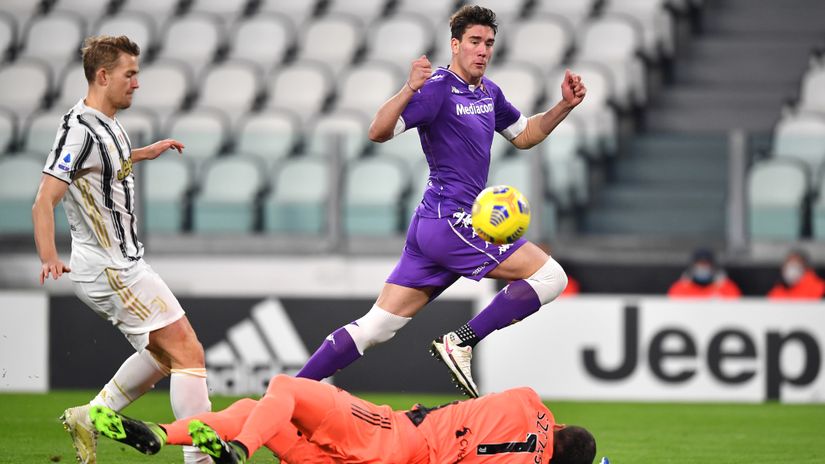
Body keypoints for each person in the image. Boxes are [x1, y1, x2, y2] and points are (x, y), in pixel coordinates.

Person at [295, 5, 586, 398]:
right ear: (455, 44)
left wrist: (564, 106)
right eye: (475, 42)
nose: (483, 51)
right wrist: (410, 86)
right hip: (450, 220)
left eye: (489, 44)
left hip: (435, 227)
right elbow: (377, 132)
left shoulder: (489, 92)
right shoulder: (436, 89)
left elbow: (526, 135)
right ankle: (461, 341)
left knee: (377, 327)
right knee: (551, 276)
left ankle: (287, 392)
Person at [32, 35, 211, 464]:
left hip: (124, 262)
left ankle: (92, 416)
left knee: (165, 357)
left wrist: (146, 152)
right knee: (189, 353)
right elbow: (43, 200)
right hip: (111, 269)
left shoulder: (107, 122)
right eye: (130, 74)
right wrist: (48, 257)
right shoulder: (78, 130)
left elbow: (106, 163)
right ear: (103, 75)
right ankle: (200, 458)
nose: (137, 83)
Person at [90, 374, 597, 464]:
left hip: (393, 433)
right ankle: (159, 436)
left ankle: (237, 451)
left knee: (283, 391)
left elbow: (541, 419)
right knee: (258, 414)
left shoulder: (530, 403)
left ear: (558, 429)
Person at [667, 248, 741, 298]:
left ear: (713, 266)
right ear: (692, 266)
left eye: (706, 264)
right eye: (699, 264)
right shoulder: (680, 288)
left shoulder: (727, 287)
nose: (703, 267)